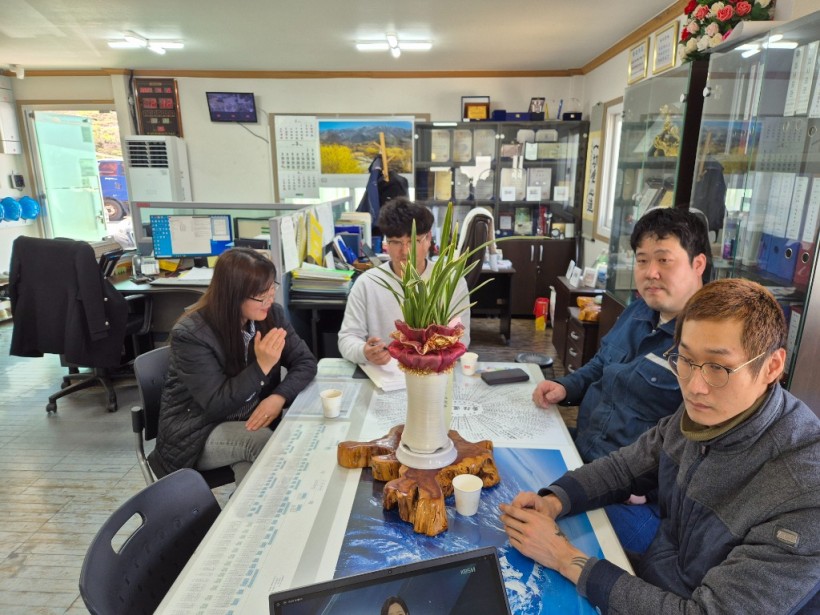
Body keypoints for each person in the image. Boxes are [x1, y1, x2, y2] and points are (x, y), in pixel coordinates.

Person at [500, 279, 820, 614]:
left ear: (772, 366)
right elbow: (625, 467)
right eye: (685, 359)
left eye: (718, 367)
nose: (694, 387)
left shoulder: (804, 495)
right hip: (658, 573)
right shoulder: (707, 412)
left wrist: (564, 557)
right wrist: (554, 500)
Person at [533, 207, 711, 463]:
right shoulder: (637, 311)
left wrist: (641, 486)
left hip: (626, 477)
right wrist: (565, 387)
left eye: (664, 260)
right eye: (642, 260)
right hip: (583, 446)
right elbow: (600, 365)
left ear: (698, 264)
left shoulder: (707, 342)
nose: (650, 273)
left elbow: (695, 443)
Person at [149, 248, 317, 484]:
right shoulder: (191, 335)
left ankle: (250, 509)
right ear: (233, 295)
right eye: (261, 294)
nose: (270, 299)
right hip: (198, 430)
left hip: (247, 420)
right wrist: (262, 367)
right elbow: (217, 404)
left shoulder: (271, 316)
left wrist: (278, 397)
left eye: (271, 288)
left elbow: (305, 362)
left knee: (258, 464)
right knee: (261, 443)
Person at [338, 197, 471, 365]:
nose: (405, 251)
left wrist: (429, 360)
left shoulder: (450, 281)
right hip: (383, 372)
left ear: (428, 239)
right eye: (396, 242)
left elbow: (462, 338)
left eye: (413, 241)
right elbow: (347, 338)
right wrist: (364, 351)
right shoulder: (367, 283)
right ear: (386, 243)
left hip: (434, 370)